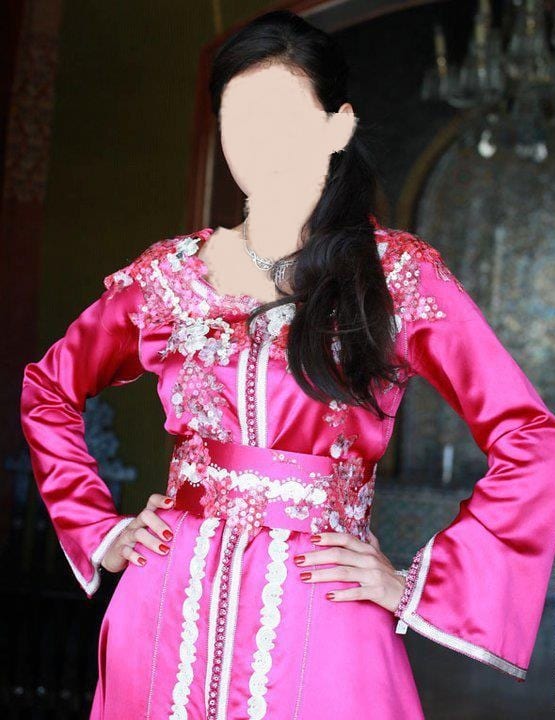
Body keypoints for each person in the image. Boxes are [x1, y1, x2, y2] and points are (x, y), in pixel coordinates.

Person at [20, 10, 555, 720]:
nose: (258, 141)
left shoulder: (395, 277)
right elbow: (49, 389)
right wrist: (99, 528)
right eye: (237, 116)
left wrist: (414, 585)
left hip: (321, 614)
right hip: (162, 608)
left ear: (337, 127)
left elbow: (531, 437)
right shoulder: (168, 277)